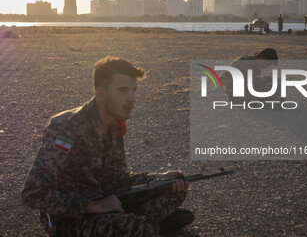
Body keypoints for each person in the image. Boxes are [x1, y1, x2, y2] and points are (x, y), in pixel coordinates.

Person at [21, 57, 193, 236]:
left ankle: (143, 224)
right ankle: (146, 225)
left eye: (133, 90)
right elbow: (32, 193)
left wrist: (158, 180)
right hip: (70, 219)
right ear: (101, 93)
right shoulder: (66, 127)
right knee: (134, 227)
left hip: (108, 200)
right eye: (123, 90)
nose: (131, 98)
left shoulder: (113, 125)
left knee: (175, 191)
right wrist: (92, 206)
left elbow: (118, 179)